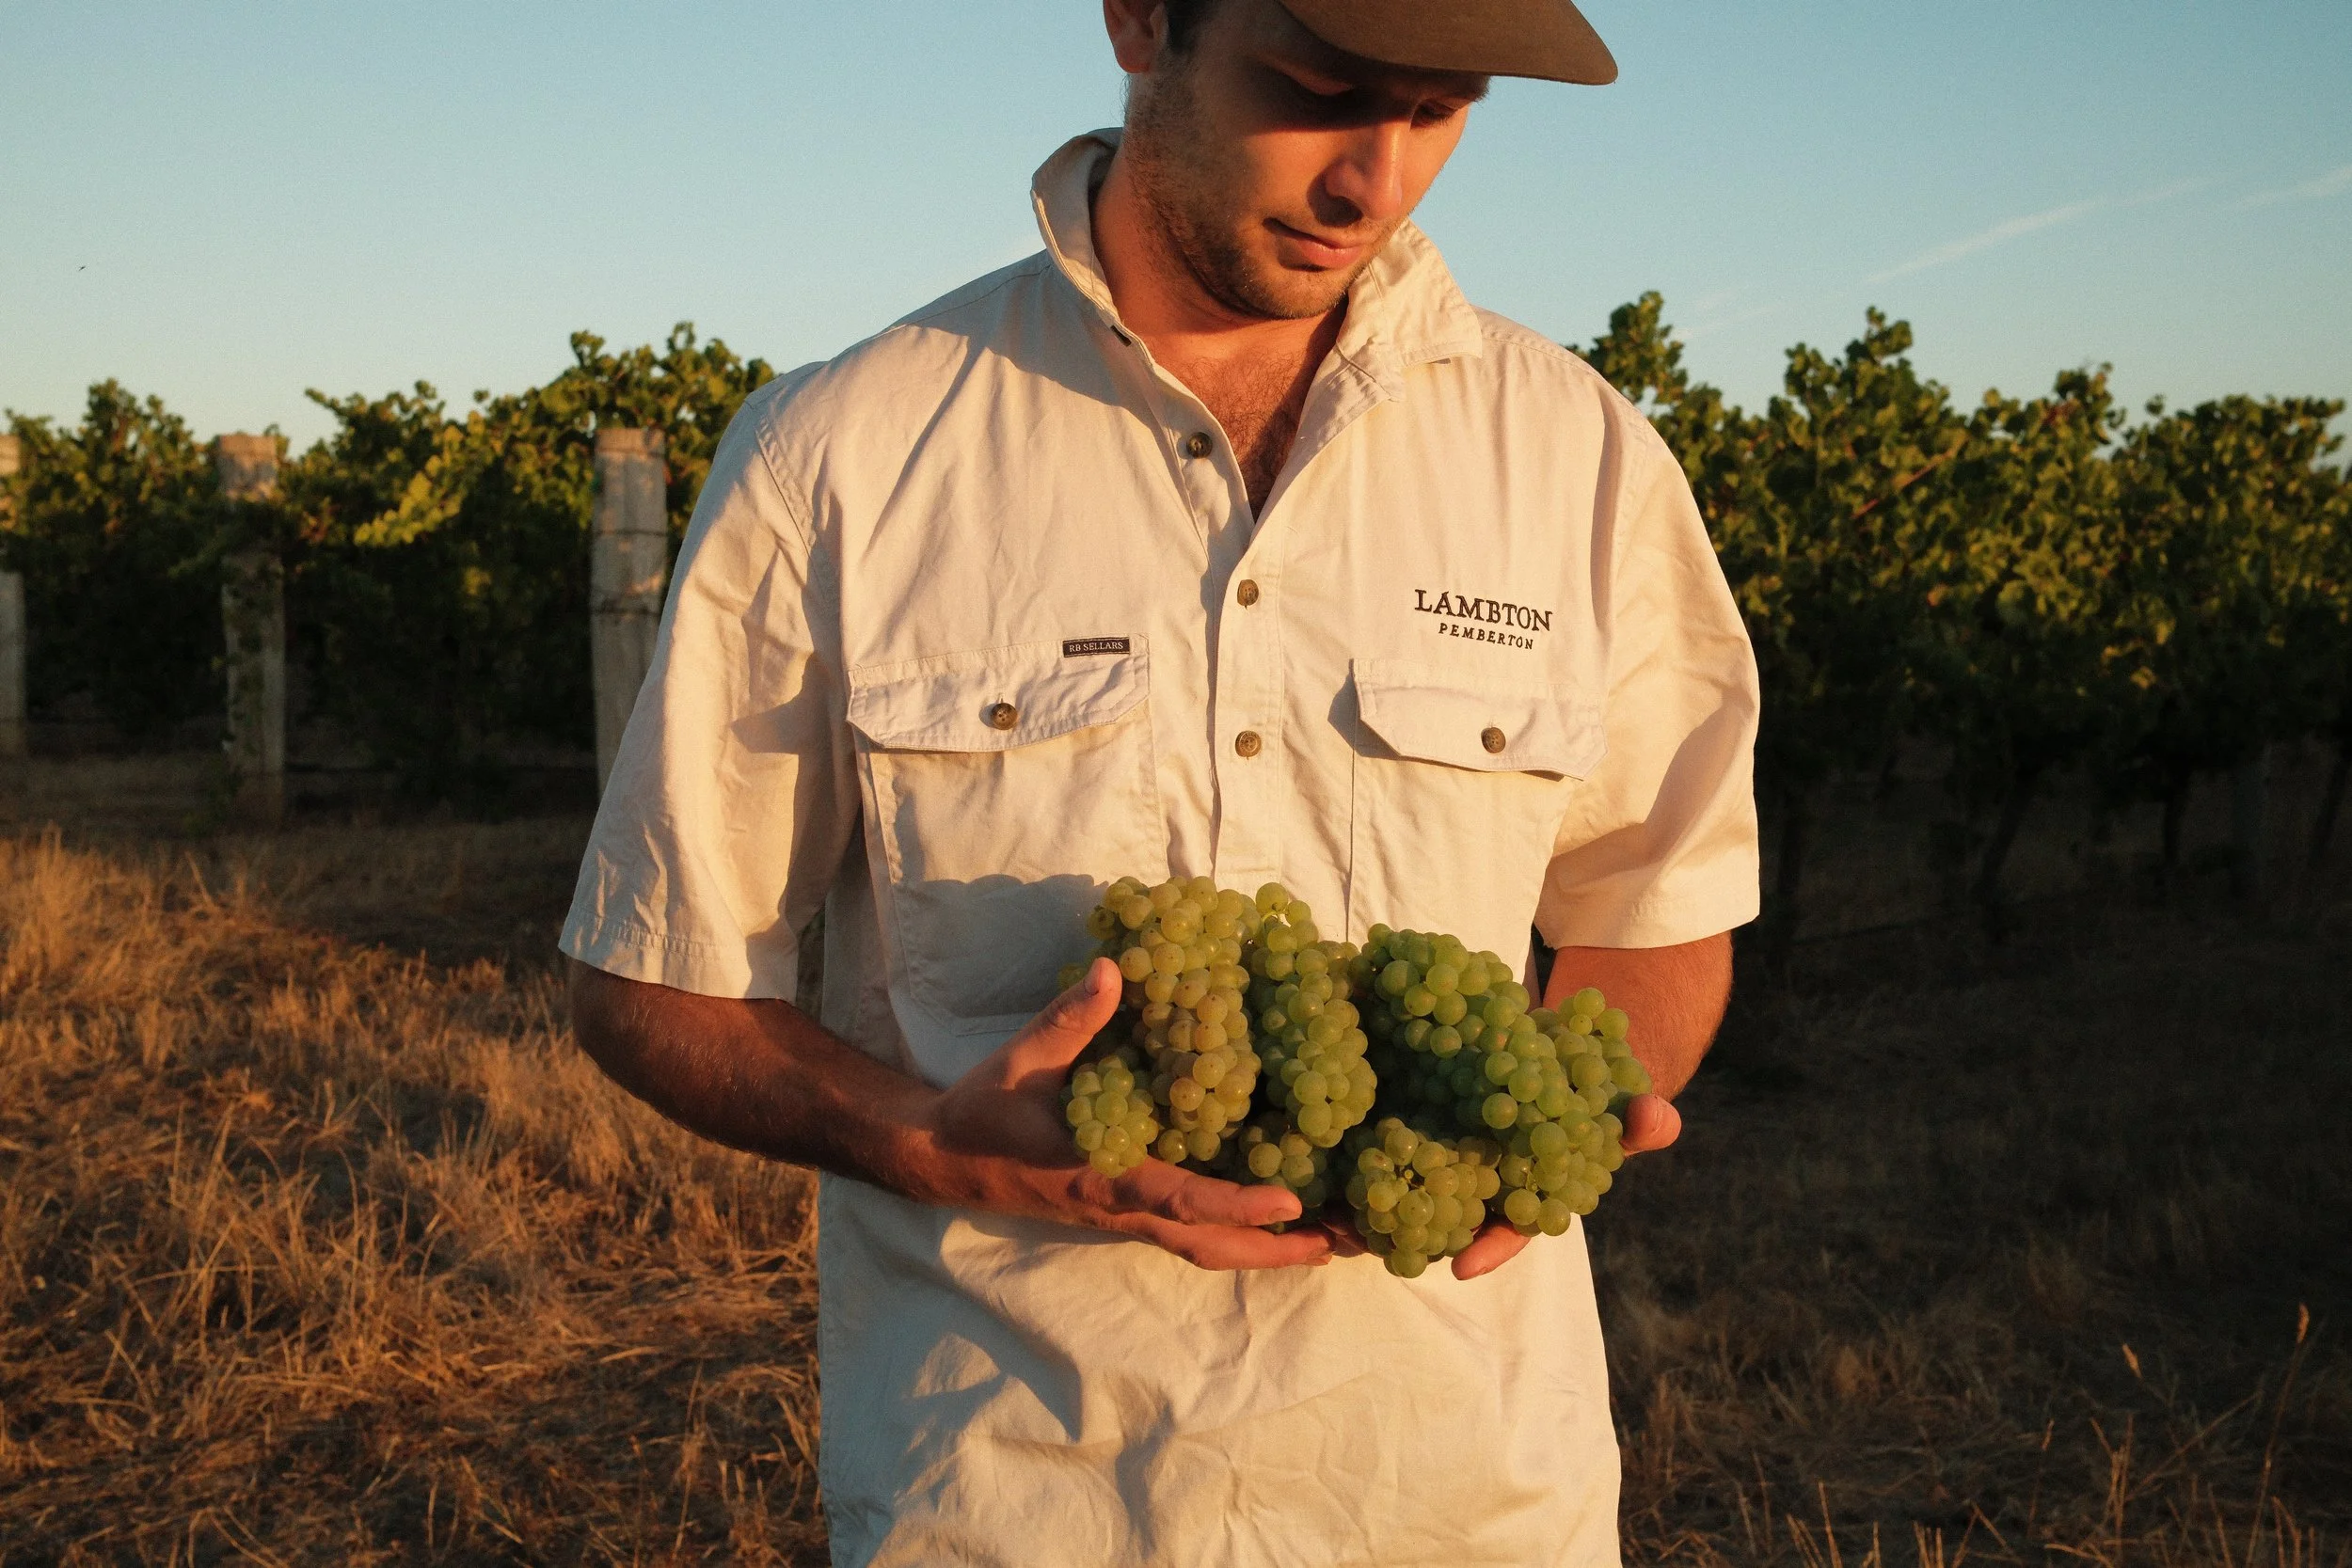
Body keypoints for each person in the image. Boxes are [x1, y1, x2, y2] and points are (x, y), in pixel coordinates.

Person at [562, 0, 1759, 1560]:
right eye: (1319, 90)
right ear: (1141, 20)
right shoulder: (846, 454)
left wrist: (1559, 1124)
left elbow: (1653, 918)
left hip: (1471, 1503)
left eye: (1441, 110)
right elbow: (652, 979)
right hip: (1008, 1503)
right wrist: (922, 1136)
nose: (1376, 181)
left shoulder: (1581, 460)